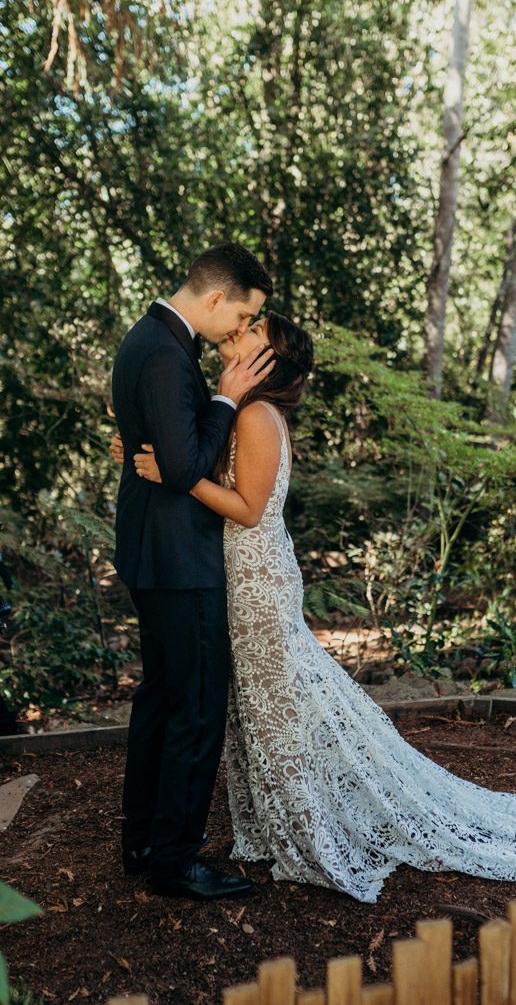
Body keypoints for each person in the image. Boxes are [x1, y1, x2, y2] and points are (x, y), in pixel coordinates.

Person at [126, 313, 516, 905]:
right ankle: (281, 827)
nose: (238, 333)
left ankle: (309, 833)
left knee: (281, 713)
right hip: (240, 580)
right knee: (264, 711)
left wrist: (180, 475)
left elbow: (246, 509)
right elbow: (193, 452)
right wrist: (160, 453)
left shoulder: (256, 416)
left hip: (258, 585)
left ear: (270, 362)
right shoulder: (240, 411)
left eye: (253, 333)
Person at [110, 242, 275, 902]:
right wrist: (227, 398)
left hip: (154, 551)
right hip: (179, 558)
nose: (239, 332)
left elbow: (164, 451)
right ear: (214, 299)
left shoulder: (148, 340)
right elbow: (182, 470)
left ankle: (143, 839)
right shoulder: (165, 353)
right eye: (241, 317)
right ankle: (174, 861)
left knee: (161, 697)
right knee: (196, 707)